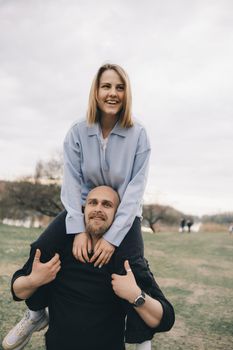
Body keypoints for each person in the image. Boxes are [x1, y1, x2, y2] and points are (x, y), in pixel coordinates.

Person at [3, 63, 152, 347]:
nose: (112, 93)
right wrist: (78, 227)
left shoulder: (139, 134)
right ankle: (35, 313)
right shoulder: (77, 131)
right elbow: (71, 180)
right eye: (106, 86)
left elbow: (136, 188)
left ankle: (142, 339)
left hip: (123, 214)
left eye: (119, 87)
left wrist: (113, 236)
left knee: (136, 268)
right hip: (83, 209)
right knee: (41, 249)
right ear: (95, 92)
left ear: (127, 93)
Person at [3, 186, 175, 350]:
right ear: (83, 210)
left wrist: (135, 295)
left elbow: (165, 319)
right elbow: (18, 291)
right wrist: (34, 280)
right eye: (92, 202)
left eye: (107, 204)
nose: (98, 208)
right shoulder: (61, 248)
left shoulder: (123, 261)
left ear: (118, 216)